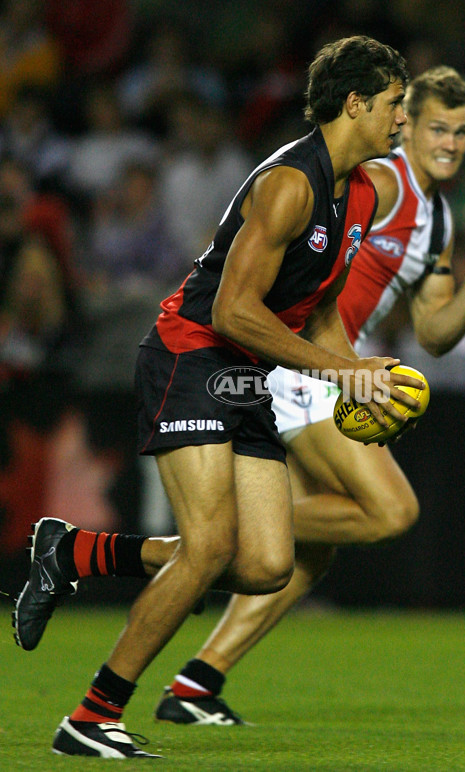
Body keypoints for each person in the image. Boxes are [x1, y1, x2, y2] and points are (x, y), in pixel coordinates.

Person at [13, 36, 420, 758]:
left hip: (244, 374)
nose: (401, 120)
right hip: (190, 355)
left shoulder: (359, 190)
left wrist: (358, 378)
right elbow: (232, 311)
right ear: (354, 102)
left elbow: (317, 304)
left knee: (265, 565)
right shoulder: (289, 183)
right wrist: (337, 372)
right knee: (206, 550)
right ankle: (91, 716)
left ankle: (75, 551)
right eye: (394, 104)